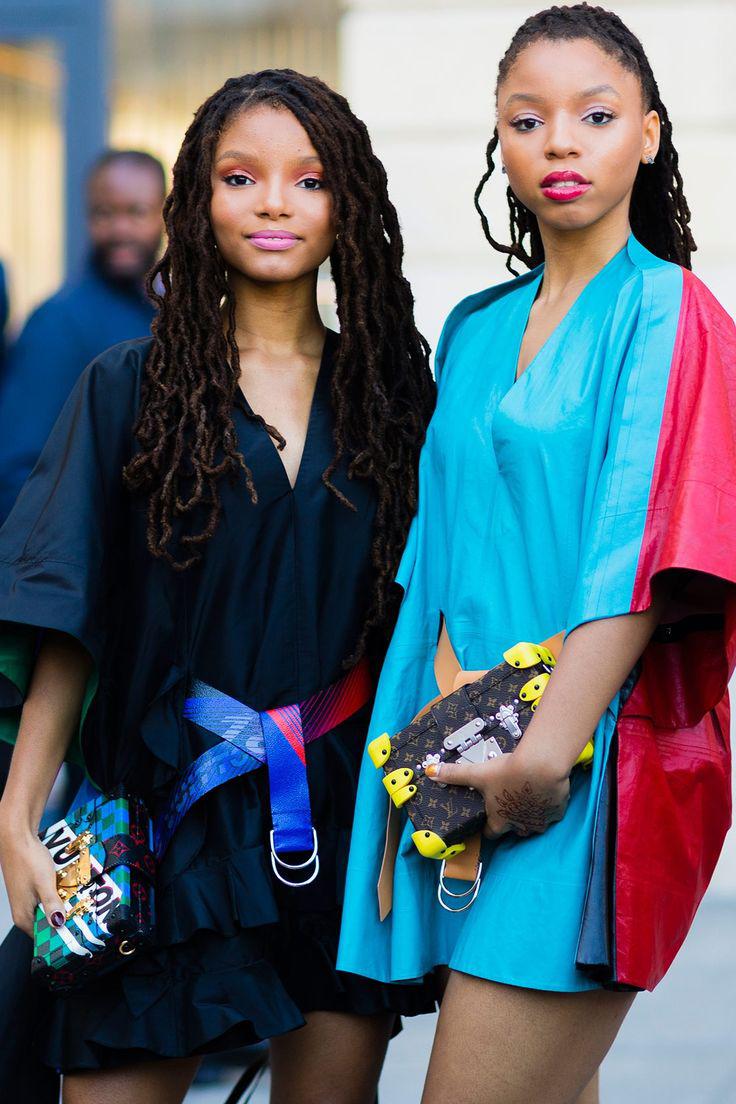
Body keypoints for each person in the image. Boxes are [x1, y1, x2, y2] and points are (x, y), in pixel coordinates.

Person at [0, 70, 438, 1103]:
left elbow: (432, 616)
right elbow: (72, 620)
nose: (276, 202)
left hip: (338, 815)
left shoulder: (395, 399)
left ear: (349, 207)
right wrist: (17, 816)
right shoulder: (125, 386)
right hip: (159, 817)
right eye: (242, 177)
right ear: (197, 198)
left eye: (309, 179)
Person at [338, 6, 736, 1104]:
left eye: (595, 115)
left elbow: (641, 556)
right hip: (447, 750)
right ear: (498, 143)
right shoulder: (472, 326)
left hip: (581, 769)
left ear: (648, 135)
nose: (560, 141)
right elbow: (431, 562)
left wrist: (541, 764)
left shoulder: (669, 312)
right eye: (529, 119)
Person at [0, 149, 164, 523]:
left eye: (136, 211)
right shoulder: (58, 322)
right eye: (104, 213)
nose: (120, 228)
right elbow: (17, 472)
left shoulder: (168, 312)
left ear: (164, 214)